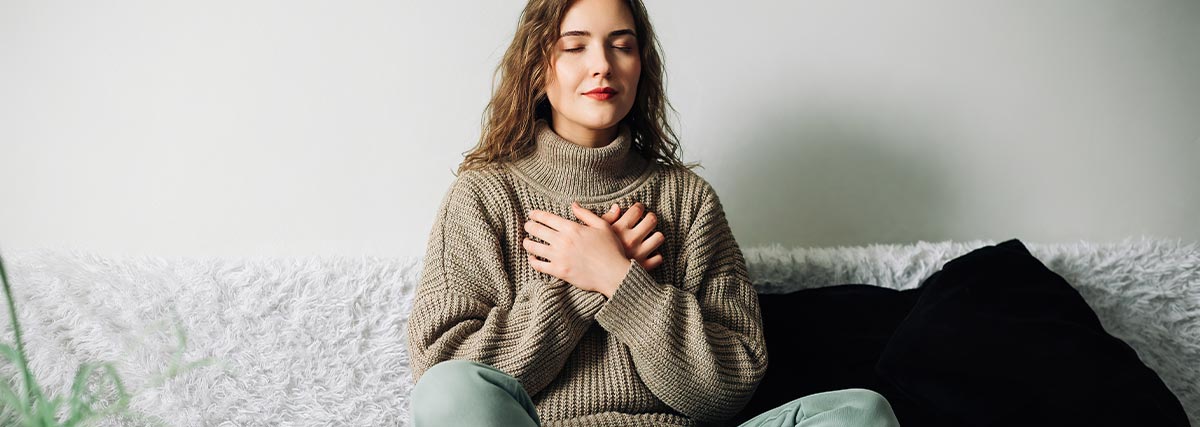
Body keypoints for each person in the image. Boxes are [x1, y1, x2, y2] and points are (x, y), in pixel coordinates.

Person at [405, 0, 901, 425]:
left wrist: (621, 281)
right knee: (446, 390)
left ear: (642, 64)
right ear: (538, 65)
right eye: (574, 45)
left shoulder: (689, 199)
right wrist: (578, 289)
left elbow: (728, 386)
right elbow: (446, 376)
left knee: (861, 411)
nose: (602, 65)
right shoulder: (484, 195)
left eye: (621, 45)